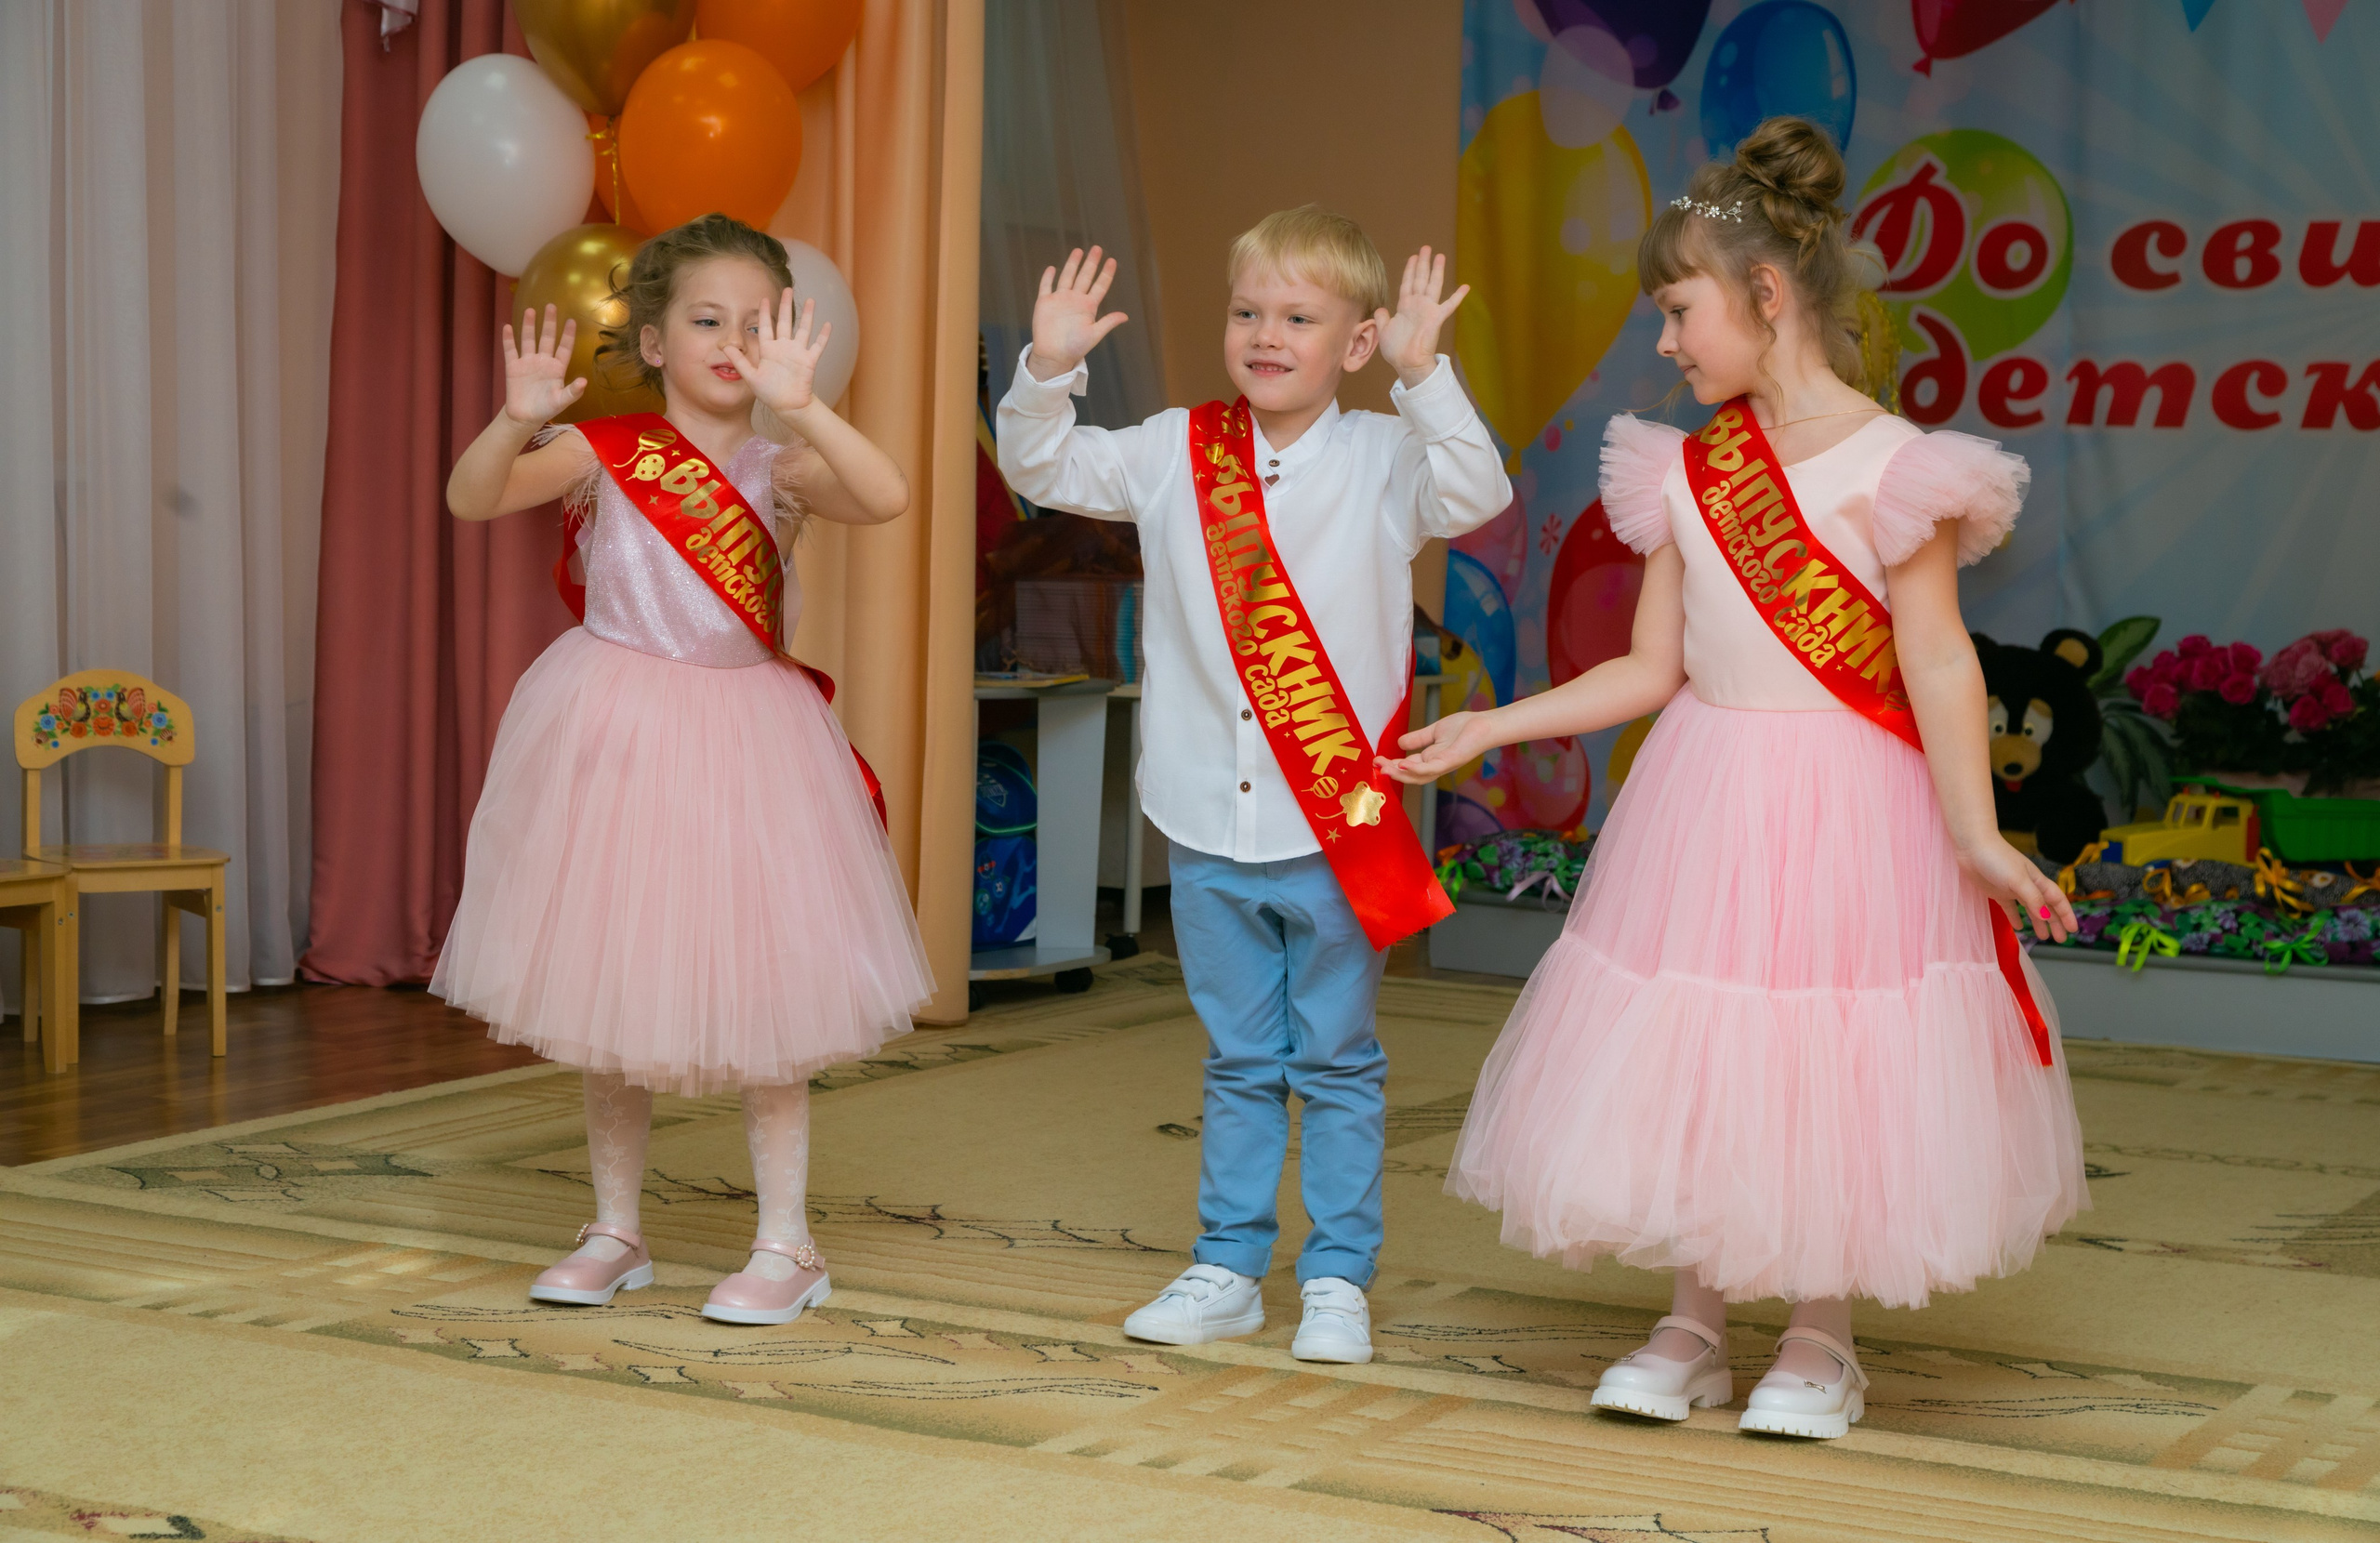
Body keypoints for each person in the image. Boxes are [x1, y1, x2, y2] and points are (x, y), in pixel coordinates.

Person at [1384, 119, 2087, 1439]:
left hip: (1855, 808)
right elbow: (1651, 670)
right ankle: (1693, 1321)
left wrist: (1979, 835)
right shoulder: (1688, 467)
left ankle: (1821, 1336)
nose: (1663, 341)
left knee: (1827, 1051)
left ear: (1766, 298)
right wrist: (1495, 727)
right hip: (1709, 793)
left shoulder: (1899, 467)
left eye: (1678, 310)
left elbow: (1938, 664)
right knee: (1701, 1044)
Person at [998, 210, 1510, 1364]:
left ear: (1360, 340)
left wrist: (1429, 380)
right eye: (1246, 313)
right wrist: (1048, 367)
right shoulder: (1176, 445)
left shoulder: (1387, 457)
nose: (1264, 335)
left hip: (1332, 824)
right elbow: (1038, 463)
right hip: (1202, 817)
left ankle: (1336, 1278)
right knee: (1236, 1057)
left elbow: (1474, 493)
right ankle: (1227, 1263)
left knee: (1334, 1057)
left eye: (1297, 317)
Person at [435, 214, 933, 1326]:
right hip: (613, 730)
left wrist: (805, 402)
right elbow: (473, 498)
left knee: (766, 992)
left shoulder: (785, 462)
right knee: (606, 983)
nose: (730, 341)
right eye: (706, 320)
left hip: (751, 744)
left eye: (757, 325)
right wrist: (514, 419)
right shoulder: (604, 449)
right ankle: (615, 1228)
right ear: (653, 341)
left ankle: (786, 1244)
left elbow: (888, 494)